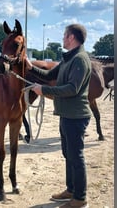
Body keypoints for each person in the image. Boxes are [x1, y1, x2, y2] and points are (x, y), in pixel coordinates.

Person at [25, 24, 91, 208]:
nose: (62, 38)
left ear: (71, 37)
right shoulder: (69, 59)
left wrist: (43, 90)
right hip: (67, 114)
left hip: (76, 116)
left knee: (76, 156)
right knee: (68, 154)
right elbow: (48, 74)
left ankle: (80, 198)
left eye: (64, 35)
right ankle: (71, 190)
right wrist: (30, 67)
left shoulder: (79, 59)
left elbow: (72, 88)